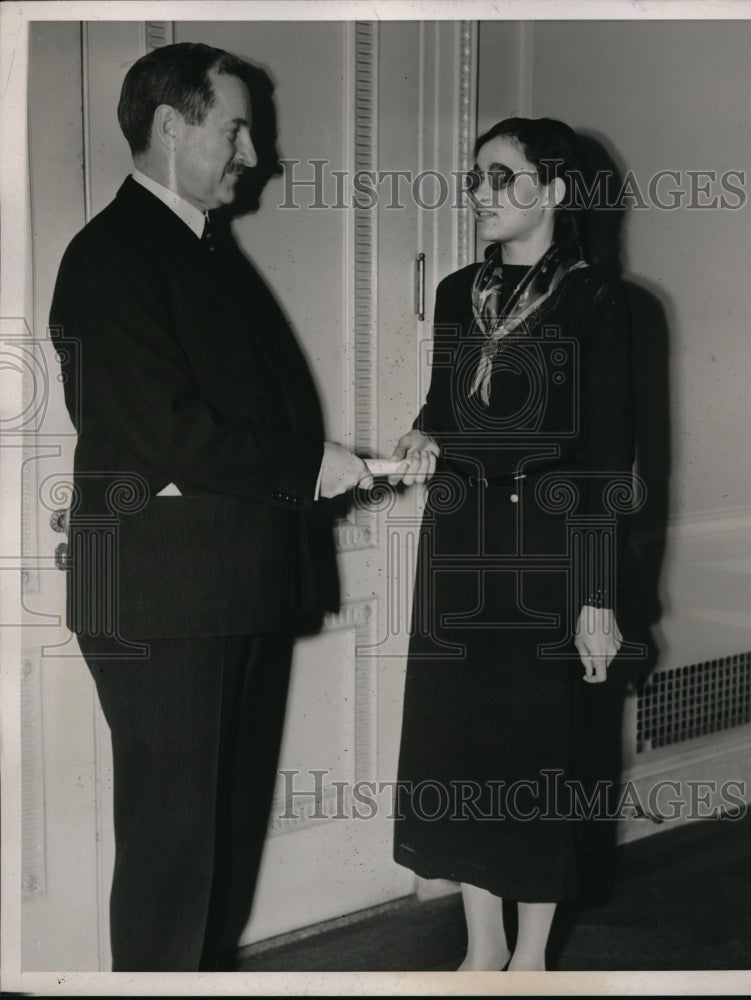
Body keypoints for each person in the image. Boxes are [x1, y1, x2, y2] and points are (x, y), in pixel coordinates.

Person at [50, 41, 371, 972]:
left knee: (216, 842)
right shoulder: (112, 255)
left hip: (223, 590)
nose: (252, 153)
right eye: (234, 128)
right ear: (168, 125)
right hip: (166, 600)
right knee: (173, 860)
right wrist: (311, 467)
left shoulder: (195, 248)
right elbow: (170, 433)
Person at [388, 117, 634, 971]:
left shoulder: (602, 301)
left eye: (502, 178)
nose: (482, 194)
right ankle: (481, 947)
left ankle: (530, 959)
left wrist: (598, 596)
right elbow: (443, 406)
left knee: (537, 755)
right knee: (457, 746)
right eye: (476, 178)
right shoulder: (461, 292)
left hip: (550, 551)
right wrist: (424, 433)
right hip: (458, 541)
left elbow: (610, 463)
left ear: (554, 192)